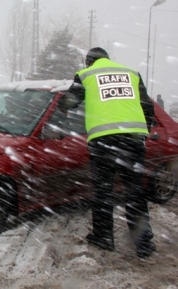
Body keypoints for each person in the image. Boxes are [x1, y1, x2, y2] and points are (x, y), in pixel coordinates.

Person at [60, 47, 156, 258]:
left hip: (104, 141)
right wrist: (142, 134)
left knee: (103, 191)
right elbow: (147, 107)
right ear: (107, 59)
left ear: (89, 62)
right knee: (134, 191)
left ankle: (103, 237)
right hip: (132, 140)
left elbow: (69, 102)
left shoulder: (86, 75)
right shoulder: (131, 73)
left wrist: (65, 107)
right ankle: (143, 244)